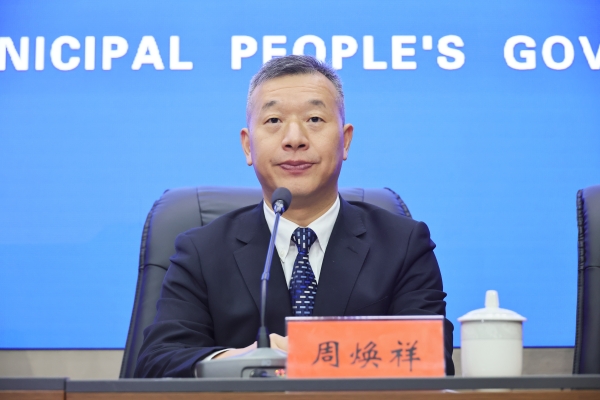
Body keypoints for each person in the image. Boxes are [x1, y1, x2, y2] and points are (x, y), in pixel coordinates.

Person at [134, 55, 454, 377]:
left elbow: (432, 358)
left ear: (345, 140)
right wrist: (242, 361)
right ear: (248, 146)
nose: (294, 139)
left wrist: (311, 355)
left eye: (314, 119)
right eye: (274, 120)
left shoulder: (403, 245)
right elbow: (158, 362)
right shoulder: (201, 252)